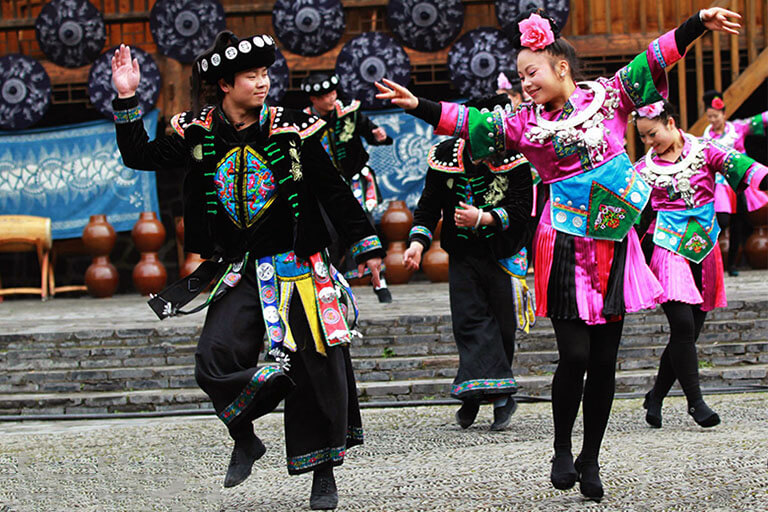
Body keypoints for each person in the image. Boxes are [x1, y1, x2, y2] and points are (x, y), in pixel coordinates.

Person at [375, 6, 742, 501]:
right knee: (574, 353)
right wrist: (418, 103)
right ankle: (562, 447)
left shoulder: (611, 96)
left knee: (606, 359)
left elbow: (654, 59)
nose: (526, 82)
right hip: (563, 243)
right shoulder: (524, 123)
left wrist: (697, 22)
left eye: (533, 72)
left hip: (613, 243)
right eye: (522, 74)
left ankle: (591, 457)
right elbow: (468, 120)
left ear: (561, 67)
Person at [110, 32, 385, 510]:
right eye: (252, 76)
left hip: (295, 268)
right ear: (224, 84)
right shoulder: (197, 129)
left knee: (316, 368)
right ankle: (245, 434)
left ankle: (322, 474)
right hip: (236, 268)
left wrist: (368, 245)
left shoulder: (292, 126)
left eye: (265, 74)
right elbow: (139, 157)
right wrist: (127, 95)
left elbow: (332, 189)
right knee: (213, 358)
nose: (263, 83)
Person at [403, 94, 535, 431]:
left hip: (504, 253)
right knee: (469, 322)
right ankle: (483, 394)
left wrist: (485, 217)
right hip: (462, 254)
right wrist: (417, 243)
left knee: (502, 325)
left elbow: (522, 210)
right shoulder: (445, 156)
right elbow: (429, 205)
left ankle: (492, 396)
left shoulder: (516, 156)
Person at [634, 100, 768, 428]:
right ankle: (696, 403)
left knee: (689, 332)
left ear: (670, 122)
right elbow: (625, 208)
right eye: (643, 138)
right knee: (681, 326)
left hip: (704, 247)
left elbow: (742, 166)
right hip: (666, 246)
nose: (649, 142)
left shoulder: (705, 150)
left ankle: (656, 395)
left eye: (653, 134)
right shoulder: (642, 169)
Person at [301, 72, 394, 303]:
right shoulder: (303, 122)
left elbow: (370, 131)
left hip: (355, 181)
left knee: (366, 227)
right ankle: (329, 284)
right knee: (329, 234)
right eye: (325, 95)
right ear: (313, 99)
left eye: (333, 92)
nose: (331, 98)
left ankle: (378, 280)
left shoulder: (349, 113)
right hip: (324, 188)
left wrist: (378, 136)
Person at [701, 90, 768, 275]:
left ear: (723, 114)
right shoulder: (706, 138)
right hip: (719, 184)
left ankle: (732, 265)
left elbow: (760, 119)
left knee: (740, 220)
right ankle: (711, 260)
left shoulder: (737, 129)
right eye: (709, 117)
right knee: (721, 221)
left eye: (715, 116)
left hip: (739, 182)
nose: (713, 120)